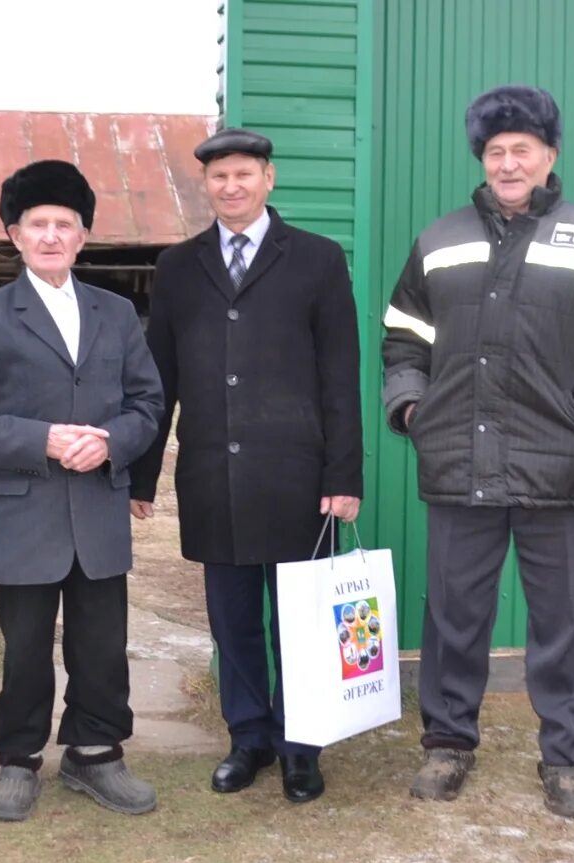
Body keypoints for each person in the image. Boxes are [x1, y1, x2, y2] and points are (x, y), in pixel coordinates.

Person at [380, 85, 574, 818]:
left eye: (522, 150)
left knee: (565, 621)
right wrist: (413, 407)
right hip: (457, 463)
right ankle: (447, 744)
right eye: (495, 151)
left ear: (550, 156)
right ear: (482, 158)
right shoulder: (439, 240)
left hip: (559, 467)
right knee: (453, 616)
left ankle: (567, 757)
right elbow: (403, 338)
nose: (508, 164)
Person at [130, 128, 364, 803]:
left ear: (268, 178)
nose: (231, 187)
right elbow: (158, 377)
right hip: (212, 477)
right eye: (219, 177)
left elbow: (339, 375)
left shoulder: (318, 260)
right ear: (206, 186)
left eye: (243, 174)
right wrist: (143, 475)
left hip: (297, 477)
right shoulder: (177, 266)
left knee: (299, 617)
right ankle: (249, 738)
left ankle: (301, 745)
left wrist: (343, 477)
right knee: (233, 620)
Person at [0, 160, 164, 822]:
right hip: (24, 514)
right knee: (25, 648)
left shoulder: (117, 314)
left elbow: (148, 403)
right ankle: (18, 761)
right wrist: (43, 440)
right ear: (15, 233)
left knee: (101, 644)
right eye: (38, 224)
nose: (51, 235)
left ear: (82, 236)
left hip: (96, 509)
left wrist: (113, 441)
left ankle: (96, 755)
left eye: (65, 224)